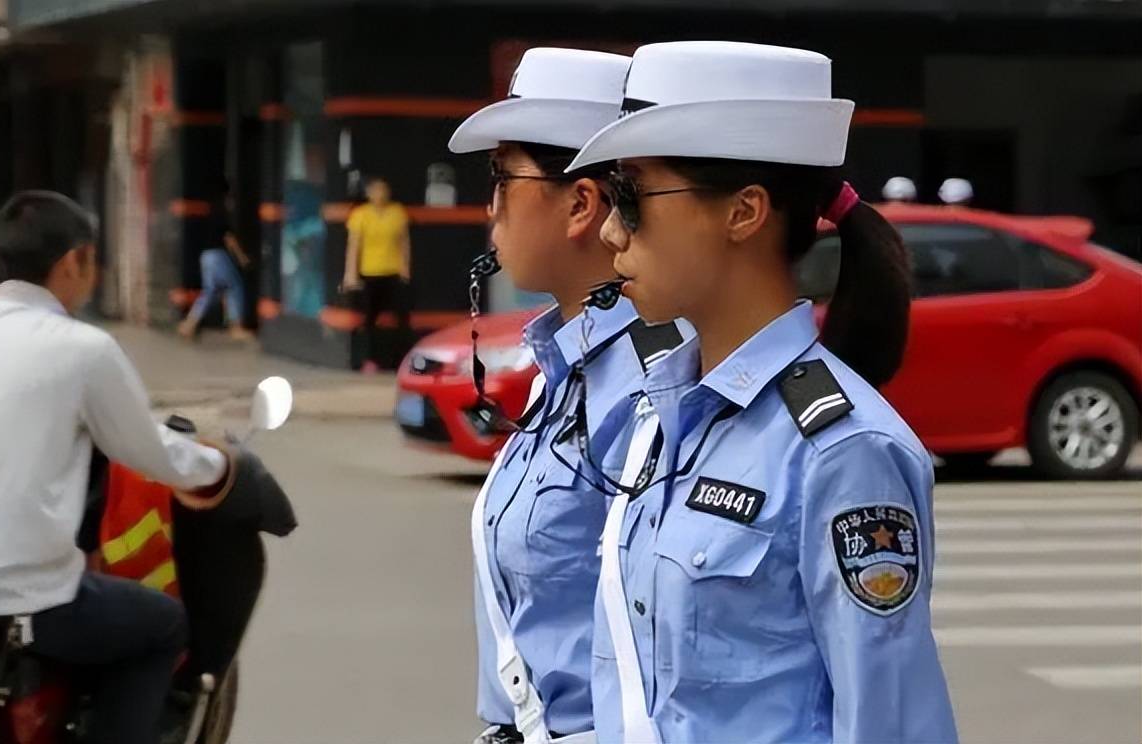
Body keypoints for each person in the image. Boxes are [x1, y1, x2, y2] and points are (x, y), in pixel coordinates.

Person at [566, 41, 958, 743]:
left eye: (632, 196)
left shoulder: (843, 451)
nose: (607, 228)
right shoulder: (659, 416)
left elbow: (891, 723)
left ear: (744, 212)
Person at [0, 190, 234, 744]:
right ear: (74, 261)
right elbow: (152, 453)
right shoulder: (82, 349)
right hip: (18, 605)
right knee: (161, 626)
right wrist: (219, 464)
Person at [447, 48, 688, 744]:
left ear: (581, 204)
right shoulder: (568, 364)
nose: (490, 206)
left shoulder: (652, 383)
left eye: (502, 178)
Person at [341, 177, 412, 373]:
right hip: (369, 273)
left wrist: (405, 268)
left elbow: (404, 242)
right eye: (376, 190)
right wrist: (350, 274)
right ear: (369, 194)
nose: (380, 194)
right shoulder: (361, 214)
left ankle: (401, 359)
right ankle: (369, 360)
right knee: (368, 320)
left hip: (393, 272)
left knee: (401, 319)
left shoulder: (397, 212)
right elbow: (354, 245)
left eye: (384, 190)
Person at [178, 182, 252, 341]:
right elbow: (229, 239)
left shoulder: (208, 212)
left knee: (209, 292)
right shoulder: (222, 213)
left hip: (205, 256)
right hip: (218, 256)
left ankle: (189, 324)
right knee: (234, 286)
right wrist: (242, 258)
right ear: (226, 197)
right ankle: (236, 327)